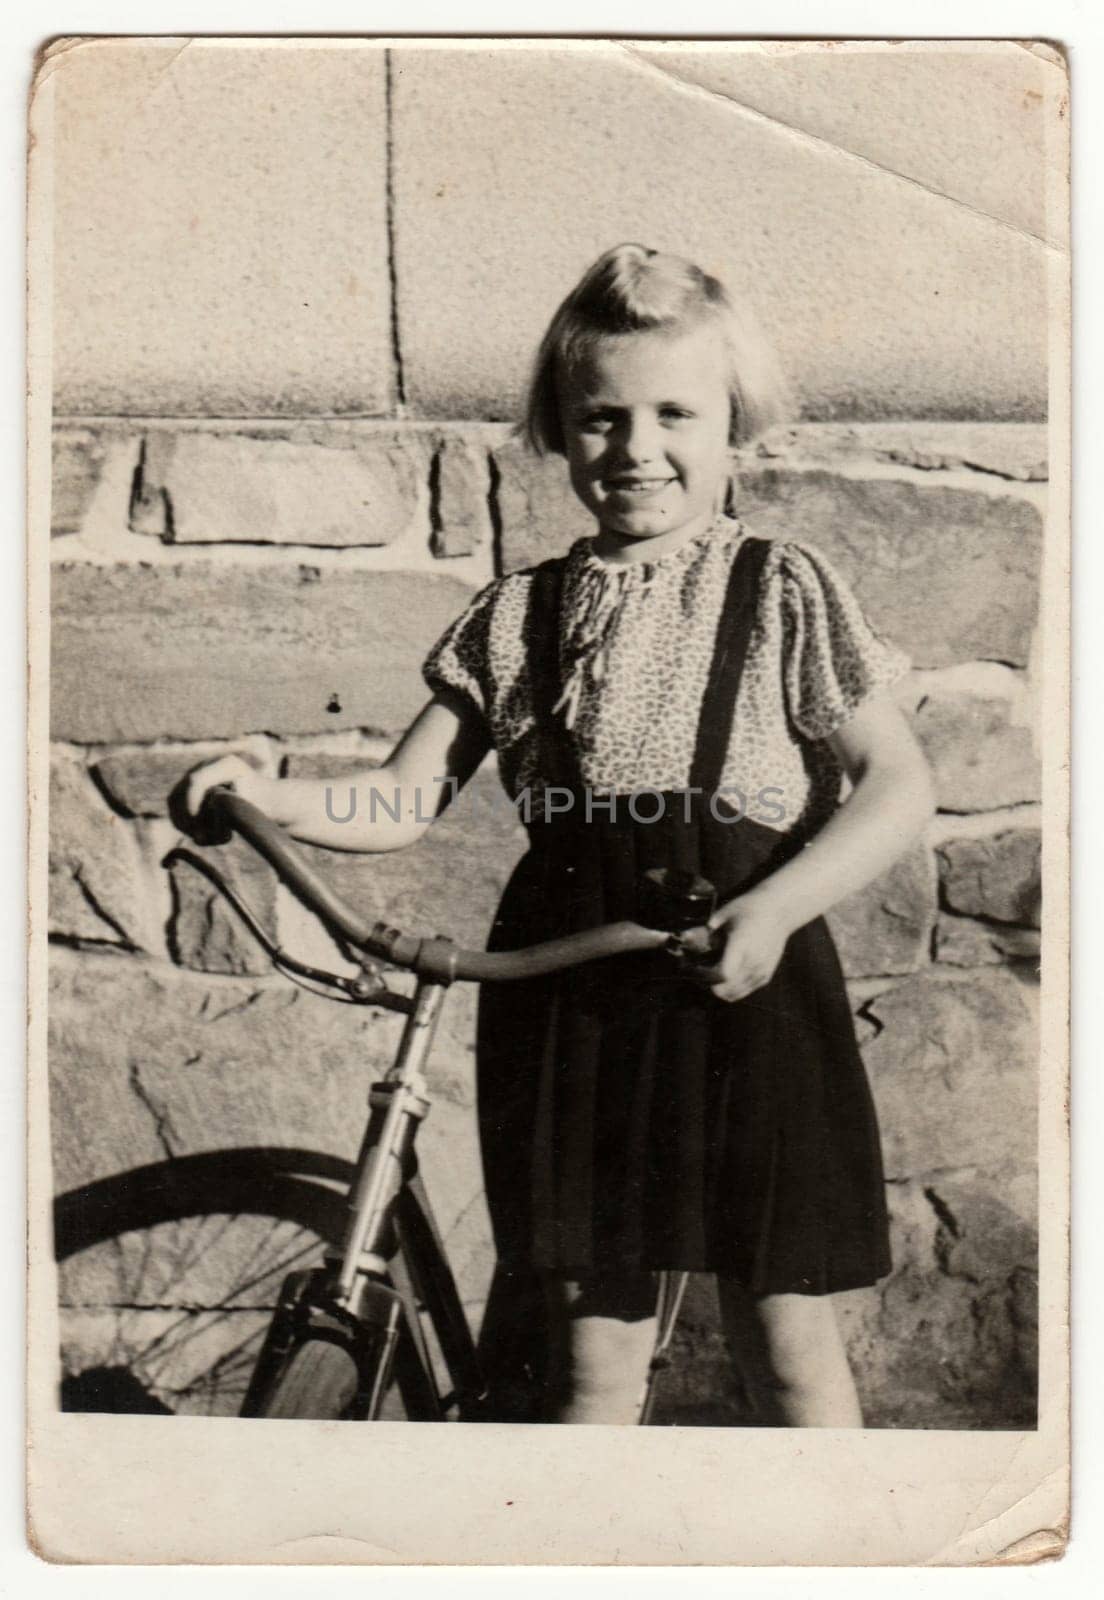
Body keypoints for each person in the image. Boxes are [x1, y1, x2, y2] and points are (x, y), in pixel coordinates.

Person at [184, 243, 935, 1428]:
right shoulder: (514, 616)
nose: (637, 450)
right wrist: (265, 793)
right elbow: (401, 796)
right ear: (560, 429)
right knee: (591, 1362)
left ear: (734, 421)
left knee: (784, 1339)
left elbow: (897, 783)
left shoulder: (781, 586)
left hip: (745, 981)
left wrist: (780, 907)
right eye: (601, 419)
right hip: (572, 1000)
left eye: (674, 413)